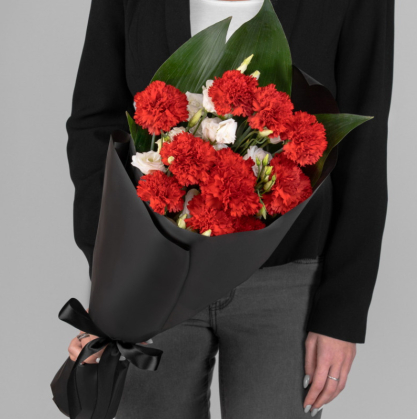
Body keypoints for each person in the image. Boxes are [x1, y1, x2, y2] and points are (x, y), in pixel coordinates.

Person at [66, 0, 394, 417]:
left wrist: (341, 316)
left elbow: (363, 148)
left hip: (287, 283)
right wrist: (110, 276)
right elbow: (94, 124)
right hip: (155, 277)